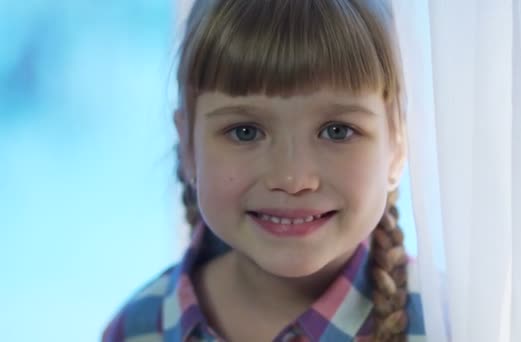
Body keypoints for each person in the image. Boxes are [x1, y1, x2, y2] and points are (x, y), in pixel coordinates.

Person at [103, 0, 426, 341]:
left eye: (337, 131)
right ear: (188, 147)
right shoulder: (136, 329)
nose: (293, 179)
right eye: (246, 131)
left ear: (397, 146)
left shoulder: (453, 327)